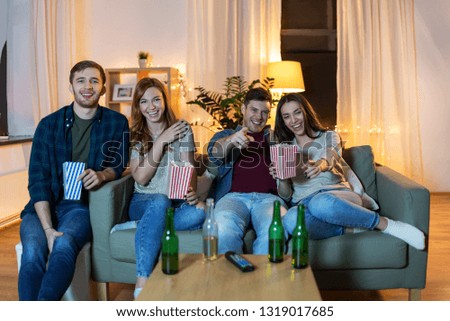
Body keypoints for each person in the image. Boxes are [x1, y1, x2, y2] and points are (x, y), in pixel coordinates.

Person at [18, 60, 130, 300]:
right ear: (71, 86)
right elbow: (37, 180)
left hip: (79, 207)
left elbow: (117, 166)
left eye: (93, 81)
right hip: (41, 206)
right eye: (81, 80)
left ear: (103, 87)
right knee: (32, 252)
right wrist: (48, 228)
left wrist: (102, 175)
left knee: (64, 245)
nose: (87, 86)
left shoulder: (117, 122)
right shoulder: (48, 125)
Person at [272, 93, 425, 250]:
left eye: (297, 112)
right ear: (283, 121)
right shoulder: (285, 150)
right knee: (290, 219)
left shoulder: (329, 136)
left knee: (321, 203)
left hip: (339, 196)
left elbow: (332, 153)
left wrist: (321, 164)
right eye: (287, 116)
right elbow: (286, 195)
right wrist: (282, 178)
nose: (294, 120)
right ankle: (353, 228)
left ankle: (386, 224)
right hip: (305, 202)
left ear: (305, 111)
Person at [128, 78, 205, 299]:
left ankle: (147, 225)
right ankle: (142, 282)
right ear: (138, 106)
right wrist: (161, 141)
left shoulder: (182, 129)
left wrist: (191, 191)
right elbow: (141, 178)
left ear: (164, 100)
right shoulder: (136, 135)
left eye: (156, 100)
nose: (151, 107)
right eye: (144, 102)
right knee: (159, 200)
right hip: (144, 202)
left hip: (176, 204)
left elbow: (189, 170)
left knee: (202, 211)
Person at [207, 87, 288, 255]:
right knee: (222, 230)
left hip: (270, 200)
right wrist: (231, 141)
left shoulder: (277, 138)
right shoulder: (227, 134)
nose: (259, 117)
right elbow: (214, 153)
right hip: (233, 198)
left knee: (275, 232)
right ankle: (232, 279)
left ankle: (266, 280)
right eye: (254, 110)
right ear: (243, 109)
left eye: (264, 112)